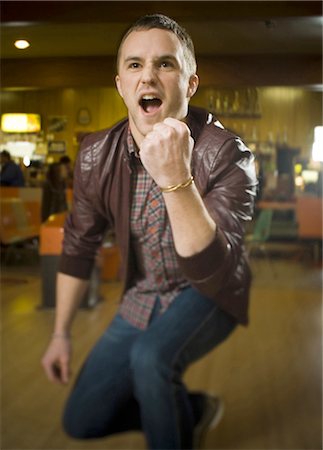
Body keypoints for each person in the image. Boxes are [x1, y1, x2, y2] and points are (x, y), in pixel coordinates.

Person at [41, 14, 257, 450]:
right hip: (143, 293)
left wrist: (175, 176)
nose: (148, 77)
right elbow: (79, 245)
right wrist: (61, 333)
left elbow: (212, 264)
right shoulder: (94, 154)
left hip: (210, 291)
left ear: (190, 83)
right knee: (81, 419)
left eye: (165, 64)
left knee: (150, 359)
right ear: (121, 83)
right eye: (135, 65)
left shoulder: (228, 154)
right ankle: (191, 411)